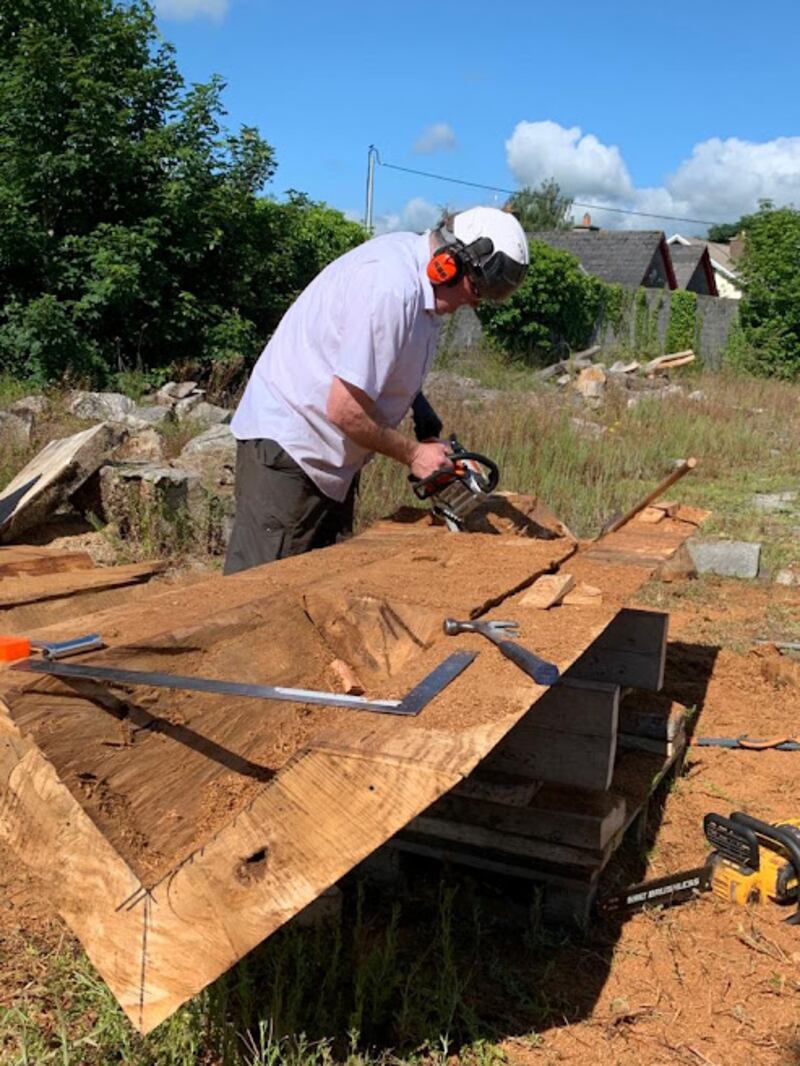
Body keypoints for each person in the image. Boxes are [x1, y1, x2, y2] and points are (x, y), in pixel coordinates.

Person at [223, 205, 529, 575]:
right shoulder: (389, 288)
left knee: (316, 584)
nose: (476, 302)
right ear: (449, 262)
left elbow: (383, 367)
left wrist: (426, 428)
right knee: (260, 595)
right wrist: (415, 455)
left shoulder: (424, 293)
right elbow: (343, 409)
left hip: (331, 460)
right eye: (478, 289)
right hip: (291, 450)